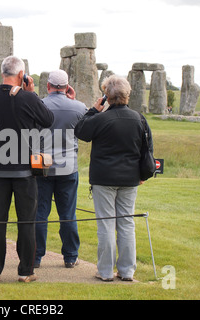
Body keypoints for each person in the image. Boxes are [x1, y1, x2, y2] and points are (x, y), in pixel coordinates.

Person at [0, 56, 54, 283]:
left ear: (3, 73)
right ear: (22, 75)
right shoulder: (28, 99)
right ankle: (25, 271)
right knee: (26, 222)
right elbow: (48, 119)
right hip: (25, 172)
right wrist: (31, 93)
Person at [75, 75, 154, 282]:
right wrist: (143, 174)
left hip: (103, 177)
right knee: (127, 223)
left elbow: (80, 131)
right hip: (130, 178)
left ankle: (106, 271)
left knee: (106, 224)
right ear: (127, 95)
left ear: (106, 97)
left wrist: (93, 110)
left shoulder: (100, 119)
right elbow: (148, 149)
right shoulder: (139, 119)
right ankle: (127, 271)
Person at [34, 70, 87, 269]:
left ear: (48, 86)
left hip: (42, 164)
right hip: (68, 165)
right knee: (67, 213)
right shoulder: (79, 107)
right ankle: (70, 256)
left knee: (40, 213)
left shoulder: (39, 105)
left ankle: (36, 256)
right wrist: (72, 100)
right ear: (67, 87)